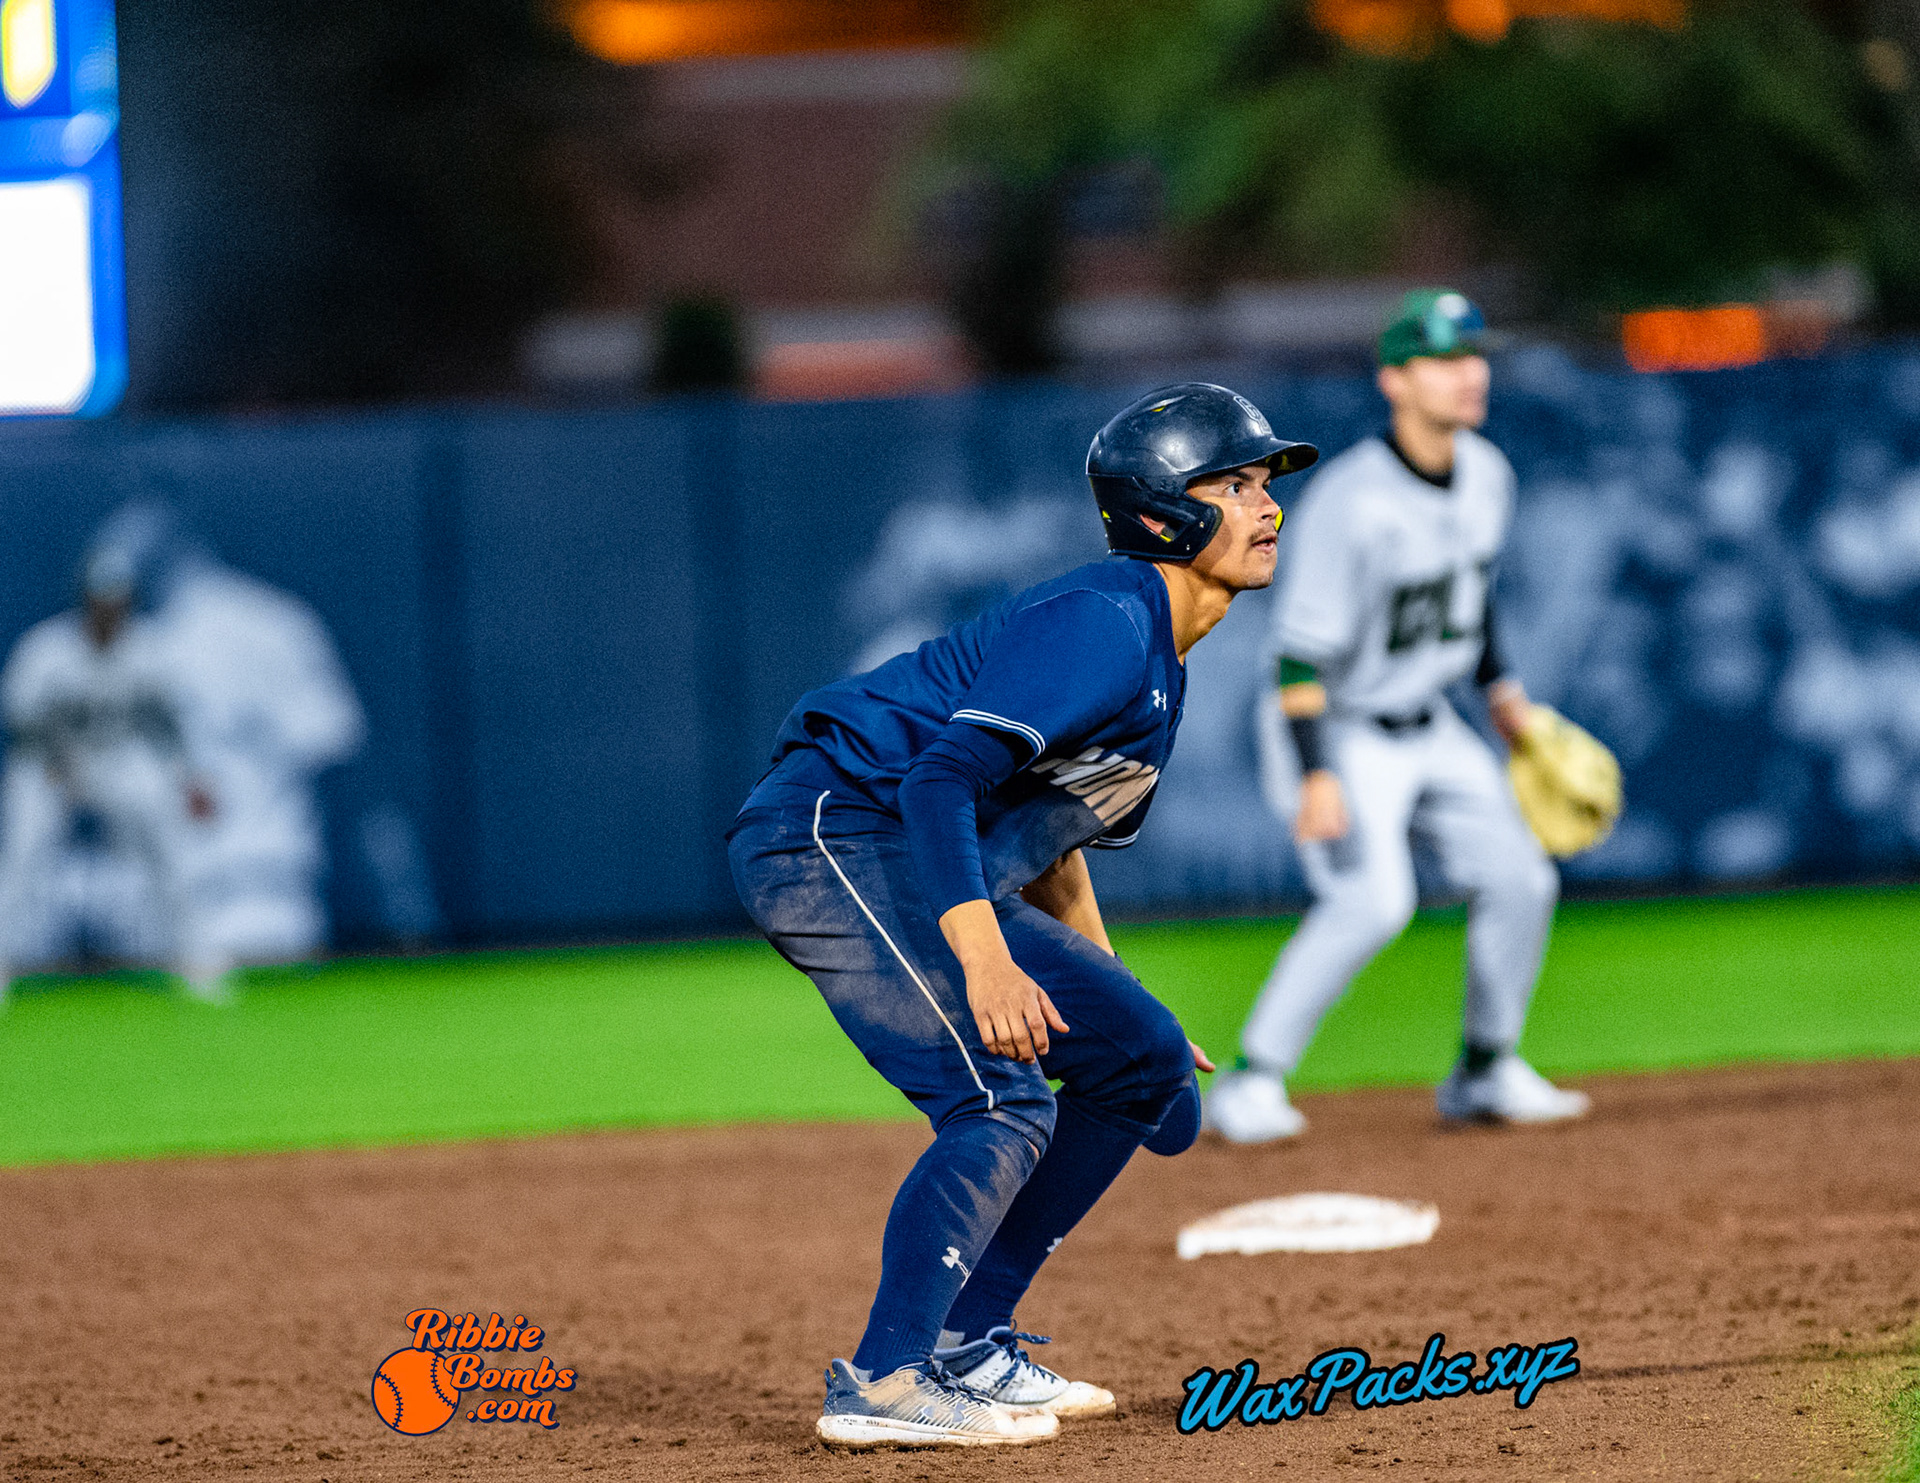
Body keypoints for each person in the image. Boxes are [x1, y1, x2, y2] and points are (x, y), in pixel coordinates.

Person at [727, 384, 1317, 1448]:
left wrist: (1125, 1011)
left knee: (1139, 1064)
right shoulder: (1106, 618)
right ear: (1163, 513)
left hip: (906, 848)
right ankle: (887, 1381)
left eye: (1268, 482)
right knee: (1000, 1099)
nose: (1267, 504)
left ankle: (969, 1340)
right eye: (1234, 483)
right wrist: (989, 967)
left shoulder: (1161, 674)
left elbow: (1052, 853)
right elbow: (938, 782)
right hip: (833, 828)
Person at [1204, 290, 1590, 1145]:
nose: (1468, 374)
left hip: (1434, 720)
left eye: (1474, 355)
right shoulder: (1352, 501)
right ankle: (1251, 1080)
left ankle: (1486, 1068)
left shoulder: (1489, 473)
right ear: (1395, 380)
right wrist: (1315, 773)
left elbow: (1474, 592)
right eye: (1445, 360)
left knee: (1523, 875)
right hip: (1334, 723)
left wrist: (1503, 695)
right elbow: (1297, 654)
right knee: (1373, 899)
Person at [0, 543, 225, 1001]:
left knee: (168, 847)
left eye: (117, 600)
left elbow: (170, 726)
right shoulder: (47, 651)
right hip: (49, 764)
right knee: (22, 860)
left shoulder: (148, 651)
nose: (109, 610)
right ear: (84, 600)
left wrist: (193, 777)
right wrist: (63, 767)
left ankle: (198, 963)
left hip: (116, 761)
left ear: (128, 601)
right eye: (101, 600)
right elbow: (22, 723)